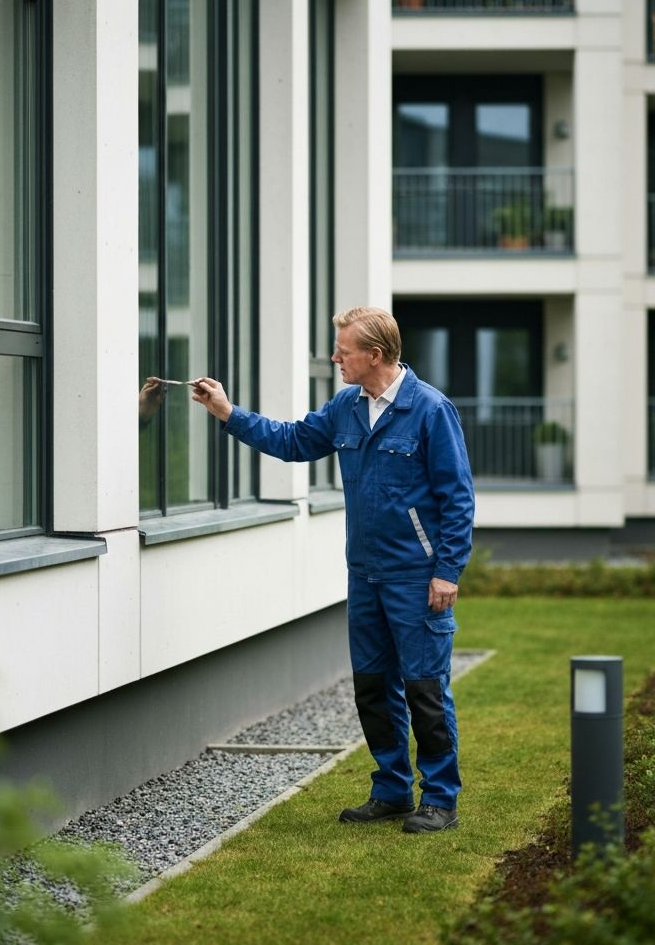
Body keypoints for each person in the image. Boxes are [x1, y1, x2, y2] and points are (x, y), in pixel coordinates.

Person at [191, 306, 475, 833]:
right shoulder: (347, 406)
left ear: (375, 354)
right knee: (373, 687)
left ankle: (440, 798)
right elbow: (293, 441)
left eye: (343, 351)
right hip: (364, 574)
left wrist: (448, 571)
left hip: (416, 576)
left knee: (425, 689)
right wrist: (229, 413)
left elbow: (458, 498)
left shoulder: (430, 410)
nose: (335, 358)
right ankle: (392, 790)